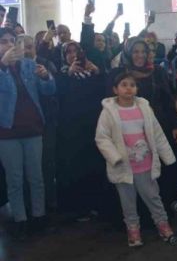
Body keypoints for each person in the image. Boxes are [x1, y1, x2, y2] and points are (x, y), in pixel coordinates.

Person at [95, 72, 176, 247]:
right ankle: (133, 230)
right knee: (128, 202)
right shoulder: (108, 112)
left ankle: (162, 224)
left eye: (132, 85)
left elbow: (156, 133)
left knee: (153, 197)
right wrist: (115, 157)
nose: (128, 88)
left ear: (137, 89)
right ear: (115, 89)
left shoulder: (145, 108)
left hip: (145, 166)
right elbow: (102, 138)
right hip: (123, 168)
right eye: (124, 85)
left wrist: (167, 157)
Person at [107, 38, 177, 212]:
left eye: (143, 51)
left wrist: (175, 125)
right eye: (135, 51)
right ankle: (141, 213)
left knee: (162, 169)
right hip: (131, 131)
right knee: (139, 170)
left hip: (159, 127)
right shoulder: (119, 74)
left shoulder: (158, 71)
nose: (140, 55)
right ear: (128, 53)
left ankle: (164, 209)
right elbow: (112, 103)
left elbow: (168, 99)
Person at [0, 27, 55, 239]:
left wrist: (46, 77)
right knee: (15, 178)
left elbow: (49, 91)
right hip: (7, 132)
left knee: (36, 176)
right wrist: (3, 66)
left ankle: (39, 215)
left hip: (32, 128)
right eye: (3, 41)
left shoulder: (29, 64)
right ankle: (20, 219)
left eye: (12, 41)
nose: (9, 45)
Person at [55, 40, 107, 221]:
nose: (73, 55)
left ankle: (96, 204)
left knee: (94, 164)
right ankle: (80, 207)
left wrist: (97, 72)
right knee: (77, 167)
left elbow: (104, 92)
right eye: (68, 52)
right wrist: (69, 74)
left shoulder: (92, 72)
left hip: (92, 127)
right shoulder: (61, 74)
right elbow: (59, 95)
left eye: (75, 51)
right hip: (72, 131)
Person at [18, 34, 59, 213]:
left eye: (29, 47)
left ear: (35, 47)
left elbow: (54, 92)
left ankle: (48, 202)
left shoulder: (45, 64)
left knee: (47, 163)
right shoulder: (12, 68)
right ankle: (27, 205)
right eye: (22, 48)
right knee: (24, 168)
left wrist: (45, 78)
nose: (26, 51)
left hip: (46, 123)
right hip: (23, 125)